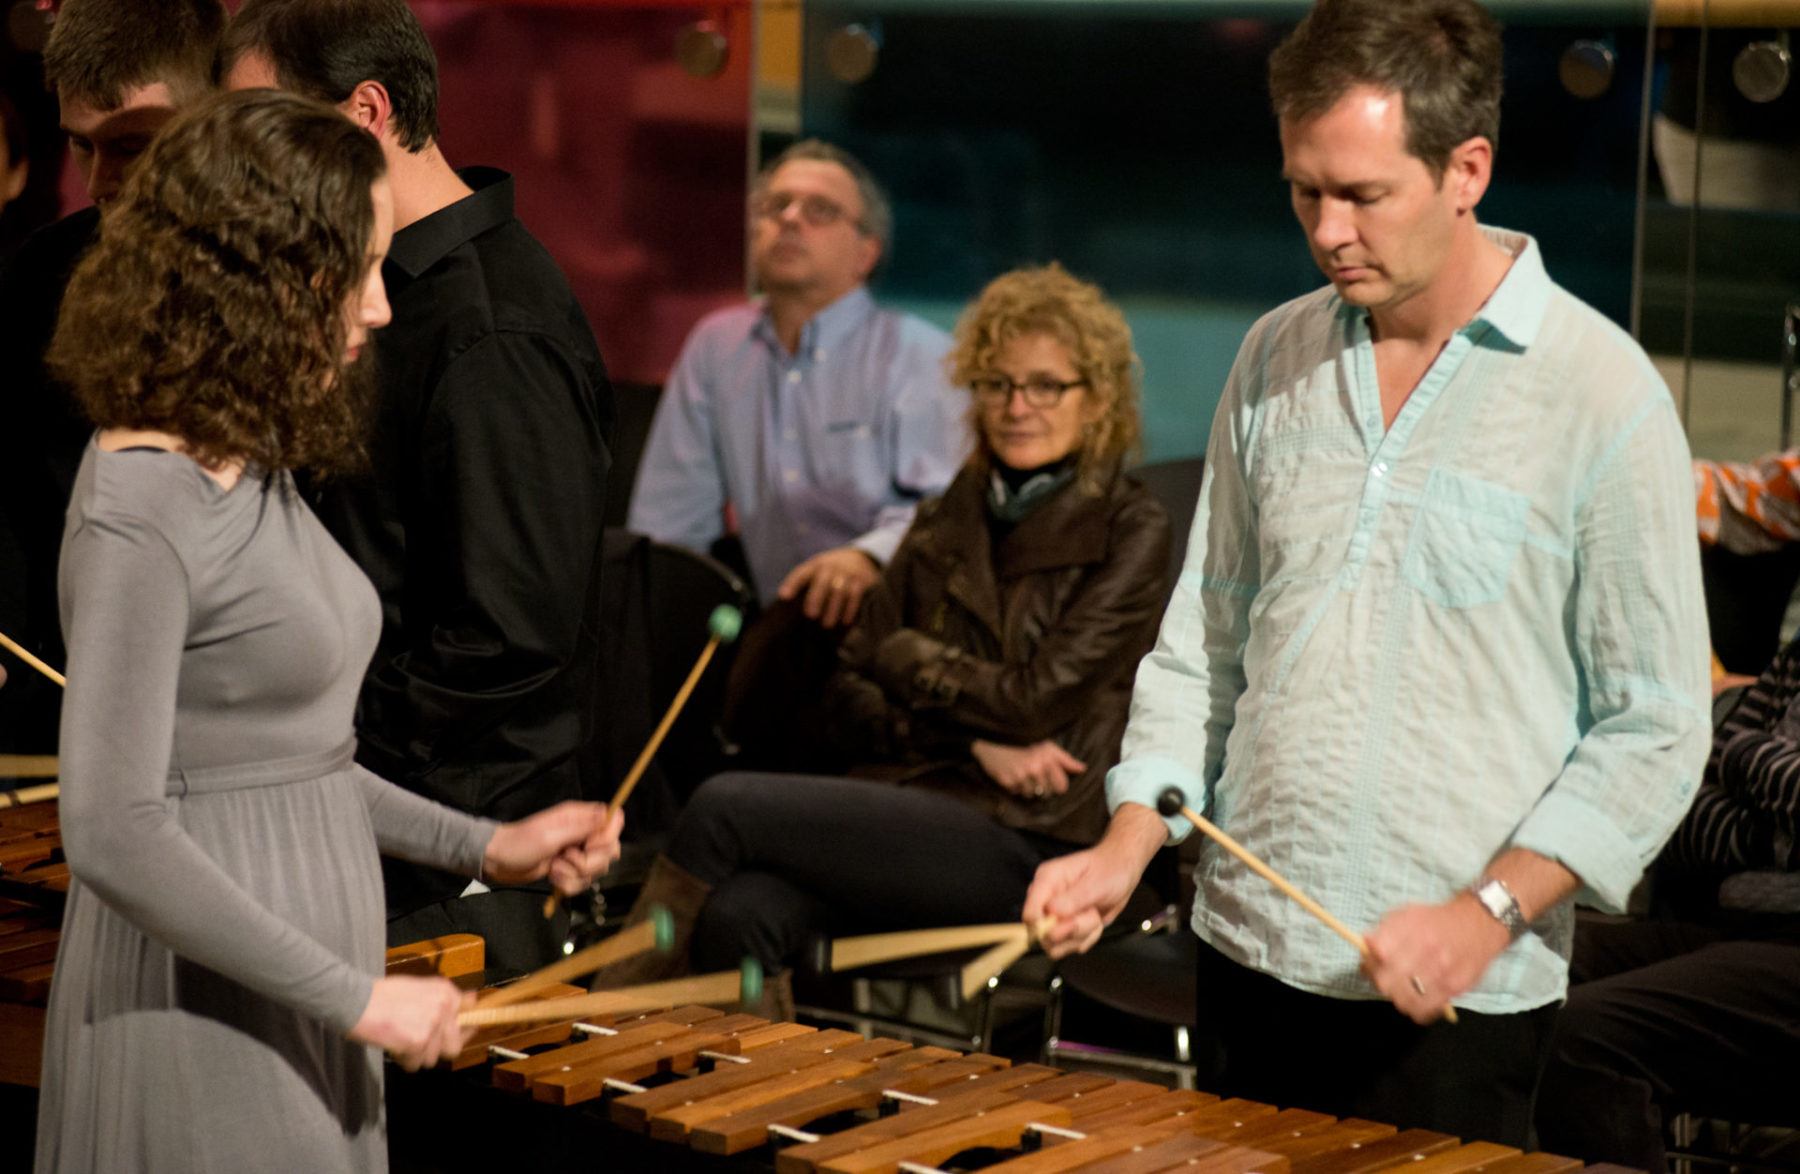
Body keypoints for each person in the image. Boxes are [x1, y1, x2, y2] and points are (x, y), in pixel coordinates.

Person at [1025, 0, 1710, 1147]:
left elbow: (1653, 726)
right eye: (1305, 190)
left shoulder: (1603, 393)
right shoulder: (1272, 355)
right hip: (1244, 954)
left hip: (1456, 999)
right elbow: (1206, 641)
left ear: (1465, 170)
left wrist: (1487, 913)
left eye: (1363, 194)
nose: (1328, 229)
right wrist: (1128, 840)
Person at [34, 89, 622, 1174]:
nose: (382, 306)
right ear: (260, 277)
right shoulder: (143, 502)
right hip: (203, 1006)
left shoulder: (249, 457)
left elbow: (288, 764)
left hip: (300, 985)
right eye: (356, 268)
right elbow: (110, 827)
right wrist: (352, 996)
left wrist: (486, 845)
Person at [599, 264, 1169, 993]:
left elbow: (1034, 698)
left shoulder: (1131, 524)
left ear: (1097, 403)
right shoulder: (942, 517)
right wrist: (971, 739)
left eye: (1046, 385)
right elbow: (844, 695)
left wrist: (900, 654)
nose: (1017, 405)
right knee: (742, 915)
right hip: (914, 799)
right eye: (997, 383)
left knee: (723, 807)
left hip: (1037, 836)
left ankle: (602, 1031)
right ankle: (775, 1107)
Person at [220, 0, 614, 972]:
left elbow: (508, 632)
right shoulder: (361, 285)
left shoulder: (493, 331)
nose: (249, 162)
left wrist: (320, 746)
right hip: (357, 813)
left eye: (267, 126)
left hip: (447, 865)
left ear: (364, 114)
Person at [0, 0, 225, 759]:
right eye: (80, 147)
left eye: (132, 146)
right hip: (55, 726)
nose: (100, 184)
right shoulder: (42, 273)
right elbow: (14, 496)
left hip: (225, 731)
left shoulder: (278, 282)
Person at [628, 140, 967, 626]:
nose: (789, 219)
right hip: (775, 631)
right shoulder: (718, 345)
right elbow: (671, 524)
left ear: (866, 252)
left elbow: (950, 512)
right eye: (774, 205)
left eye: (820, 210)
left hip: (901, 631)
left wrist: (864, 557)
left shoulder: (921, 354)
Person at [1534, 639, 1800, 1173]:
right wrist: (1774, 834)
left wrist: (1743, 753)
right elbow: (1680, 816)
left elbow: (1728, 753)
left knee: (1582, 1033)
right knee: (1515, 959)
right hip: (1735, 928)